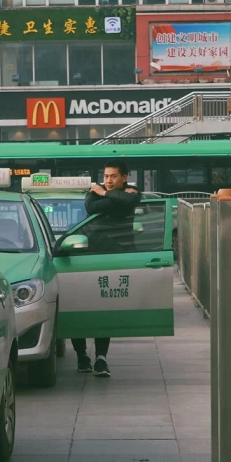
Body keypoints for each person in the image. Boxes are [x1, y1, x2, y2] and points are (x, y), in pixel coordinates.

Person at [74, 159, 141, 378]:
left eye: (113, 176)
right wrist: (116, 198)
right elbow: (91, 207)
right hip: (87, 256)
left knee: (104, 309)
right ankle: (81, 355)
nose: (108, 181)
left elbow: (127, 200)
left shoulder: (129, 193)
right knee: (79, 307)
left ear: (124, 177)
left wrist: (103, 193)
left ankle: (101, 358)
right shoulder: (121, 195)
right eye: (105, 177)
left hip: (114, 258)